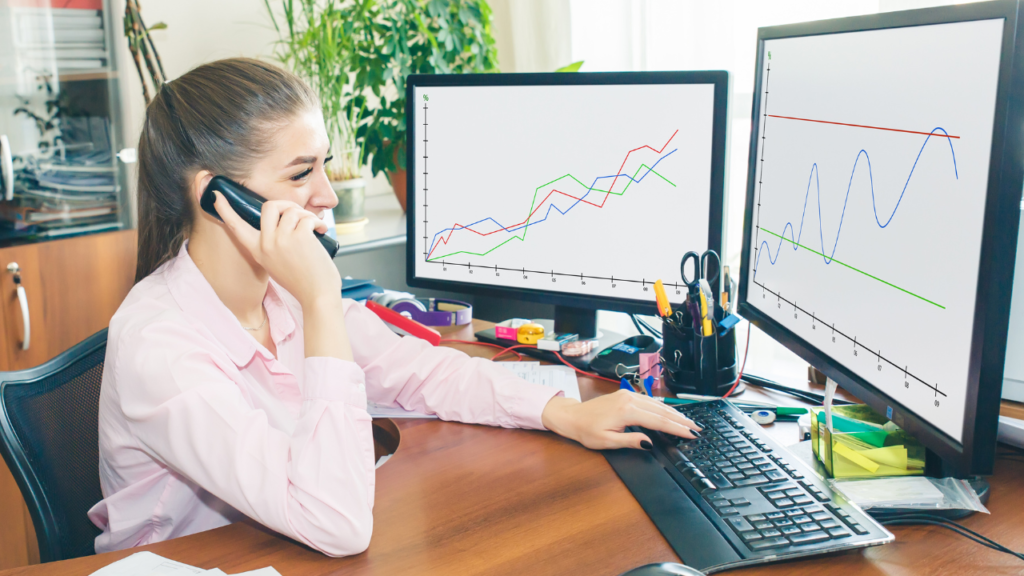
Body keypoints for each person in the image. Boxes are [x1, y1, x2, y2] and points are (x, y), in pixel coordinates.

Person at [88, 58, 699, 557]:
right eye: (302, 173)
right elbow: (338, 524)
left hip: (279, 546)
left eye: (323, 165)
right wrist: (323, 298)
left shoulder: (276, 295)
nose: (327, 193)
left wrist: (560, 412)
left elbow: (424, 370)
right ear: (217, 197)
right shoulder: (159, 343)